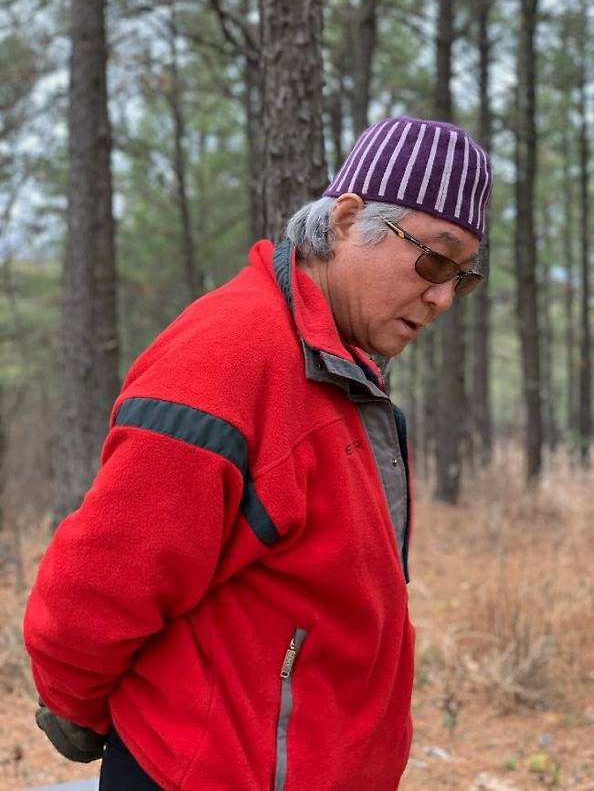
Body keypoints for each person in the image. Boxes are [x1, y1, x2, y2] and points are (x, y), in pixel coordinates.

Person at [24, 116, 492, 791]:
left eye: (462, 276)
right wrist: (79, 713)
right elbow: (96, 584)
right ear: (346, 220)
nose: (444, 295)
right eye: (433, 259)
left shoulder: (338, 368)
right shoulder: (229, 358)